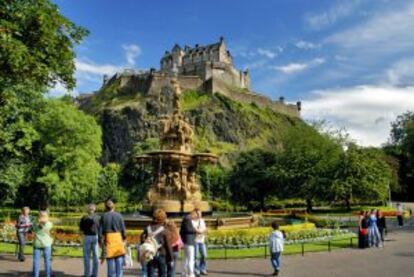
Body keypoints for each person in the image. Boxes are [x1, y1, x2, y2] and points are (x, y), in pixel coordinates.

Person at [140, 209, 173, 277]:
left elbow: (141, 238)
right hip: (161, 254)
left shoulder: (148, 228)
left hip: (150, 254)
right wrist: (171, 258)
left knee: (150, 273)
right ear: (163, 217)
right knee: (162, 274)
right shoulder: (165, 230)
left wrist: (147, 243)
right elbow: (168, 245)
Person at [100, 199, 126, 277]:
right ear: (113, 206)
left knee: (110, 265)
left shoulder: (103, 216)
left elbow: (100, 231)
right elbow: (123, 229)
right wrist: (124, 239)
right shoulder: (119, 215)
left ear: (105, 207)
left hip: (108, 240)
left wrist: (101, 242)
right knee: (119, 264)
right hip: (118, 239)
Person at [80, 203, 100, 277]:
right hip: (95, 237)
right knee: (96, 256)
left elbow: (81, 229)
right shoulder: (98, 217)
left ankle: (87, 274)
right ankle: (94, 274)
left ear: (88, 209)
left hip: (87, 237)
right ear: (94, 209)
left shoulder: (84, 217)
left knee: (86, 256)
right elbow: (100, 228)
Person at [32, 211, 53, 277]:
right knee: (47, 261)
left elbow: (34, 230)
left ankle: (36, 275)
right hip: (46, 244)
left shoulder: (35, 223)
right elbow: (49, 230)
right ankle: (48, 275)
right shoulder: (49, 224)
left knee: (36, 262)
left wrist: (38, 220)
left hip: (37, 243)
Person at [180, 210, 197, 277]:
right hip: (189, 241)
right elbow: (189, 229)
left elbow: (182, 231)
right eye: (196, 215)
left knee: (186, 258)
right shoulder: (188, 219)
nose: (196, 217)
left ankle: (184, 272)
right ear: (193, 214)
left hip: (186, 241)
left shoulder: (186, 218)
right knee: (191, 258)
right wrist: (195, 230)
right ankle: (191, 273)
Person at [193, 209, 208, 276]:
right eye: (198, 213)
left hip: (202, 240)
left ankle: (203, 269)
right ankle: (197, 270)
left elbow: (205, 229)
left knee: (204, 255)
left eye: (200, 213)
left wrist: (203, 231)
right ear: (195, 214)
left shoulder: (202, 220)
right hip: (195, 240)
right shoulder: (192, 221)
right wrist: (200, 231)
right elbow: (195, 230)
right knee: (196, 256)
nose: (200, 215)